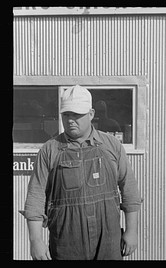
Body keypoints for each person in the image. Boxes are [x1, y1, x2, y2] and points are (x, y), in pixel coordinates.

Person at [20, 85, 142, 260]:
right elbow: (35, 198)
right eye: (66, 114)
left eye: (77, 115)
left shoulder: (112, 145)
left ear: (91, 114)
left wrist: (132, 231)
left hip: (108, 240)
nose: (70, 120)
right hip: (66, 242)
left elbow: (129, 189)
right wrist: (35, 241)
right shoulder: (49, 150)